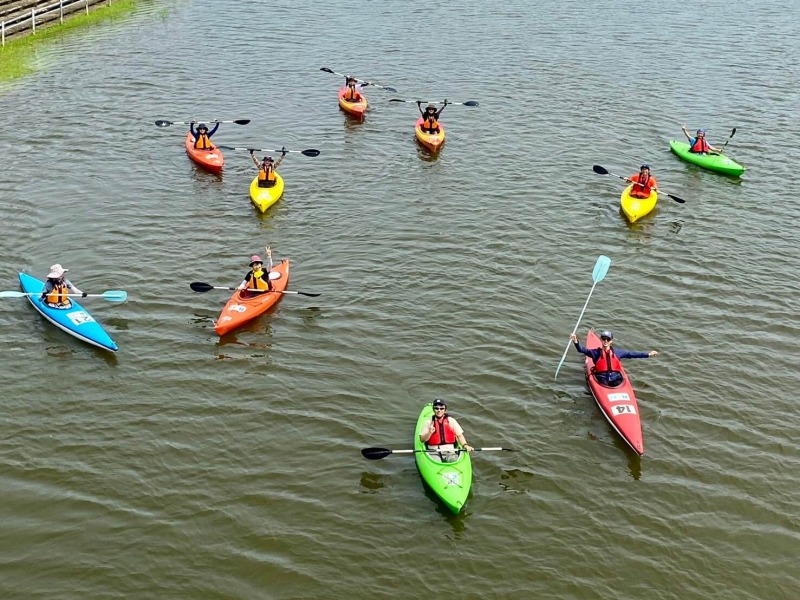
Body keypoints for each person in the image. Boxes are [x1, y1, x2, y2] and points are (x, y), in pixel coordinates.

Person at [570, 330, 658, 388]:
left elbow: (632, 354)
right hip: (601, 378)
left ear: (611, 341)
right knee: (605, 383)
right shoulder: (595, 352)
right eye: (603, 339)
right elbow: (581, 349)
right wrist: (575, 341)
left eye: (608, 339)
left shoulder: (618, 352)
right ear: (600, 339)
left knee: (617, 382)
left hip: (616, 378)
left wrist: (648, 354)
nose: (605, 341)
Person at [418, 398, 473, 463]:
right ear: (433, 409)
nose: (439, 410)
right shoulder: (428, 422)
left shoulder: (451, 421)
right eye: (436, 408)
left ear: (445, 410)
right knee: (436, 462)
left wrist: (465, 445)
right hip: (433, 452)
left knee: (453, 460)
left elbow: (460, 435)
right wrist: (429, 433)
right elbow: (422, 440)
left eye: (441, 408)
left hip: (449, 451)